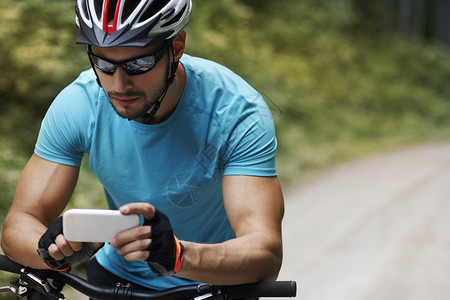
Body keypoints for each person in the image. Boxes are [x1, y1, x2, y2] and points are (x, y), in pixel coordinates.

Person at [1, 0, 284, 297]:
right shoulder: (79, 104)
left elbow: (265, 253)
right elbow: (17, 225)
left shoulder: (236, 111)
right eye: (104, 64)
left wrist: (177, 255)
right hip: (118, 277)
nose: (119, 85)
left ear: (176, 48)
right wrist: (51, 251)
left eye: (138, 64)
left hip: (215, 279)